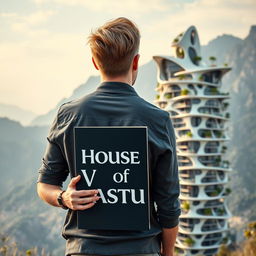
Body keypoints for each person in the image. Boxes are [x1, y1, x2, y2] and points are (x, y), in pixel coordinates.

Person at [37, 17, 181, 256]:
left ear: (95, 63)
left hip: (83, 250)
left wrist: (64, 197)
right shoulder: (158, 120)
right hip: (141, 250)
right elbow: (168, 205)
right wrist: (167, 253)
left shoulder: (69, 115)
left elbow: (44, 185)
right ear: (136, 62)